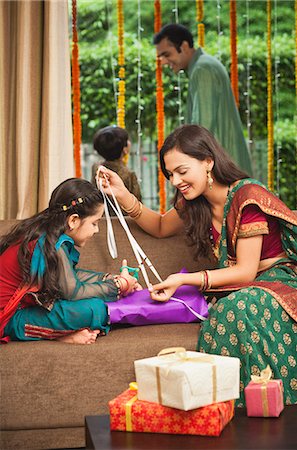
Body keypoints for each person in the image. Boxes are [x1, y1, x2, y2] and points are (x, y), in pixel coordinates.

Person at [99, 124, 297, 406]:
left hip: (277, 283)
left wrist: (182, 280)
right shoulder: (195, 203)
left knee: (236, 309)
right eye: (170, 174)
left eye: (182, 171)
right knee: (225, 309)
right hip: (240, 289)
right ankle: (225, 413)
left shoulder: (247, 197)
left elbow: (245, 271)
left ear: (208, 161)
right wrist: (121, 194)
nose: (175, 180)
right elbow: (158, 226)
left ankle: (269, 408)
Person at [0, 178, 141, 344]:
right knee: (94, 309)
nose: (96, 230)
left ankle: (63, 333)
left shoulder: (49, 234)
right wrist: (119, 286)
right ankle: (61, 335)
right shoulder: (50, 243)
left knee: (93, 304)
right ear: (73, 220)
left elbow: (69, 277)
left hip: (25, 308)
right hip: (8, 318)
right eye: (94, 223)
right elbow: (73, 292)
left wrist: (112, 279)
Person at [153, 23, 253, 175]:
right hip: (223, 163)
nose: (164, 62)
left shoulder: (202, 69)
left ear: (184, 46)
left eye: (167, 55)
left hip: (222, 169)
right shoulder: (203, 66)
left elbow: (201, 128)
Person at [92, 125, 142, 203]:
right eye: (127, 140)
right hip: (124, 215)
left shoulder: (96, 168)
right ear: (125, 149)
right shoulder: (129, 174)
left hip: (100, 214)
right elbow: (137, 202)